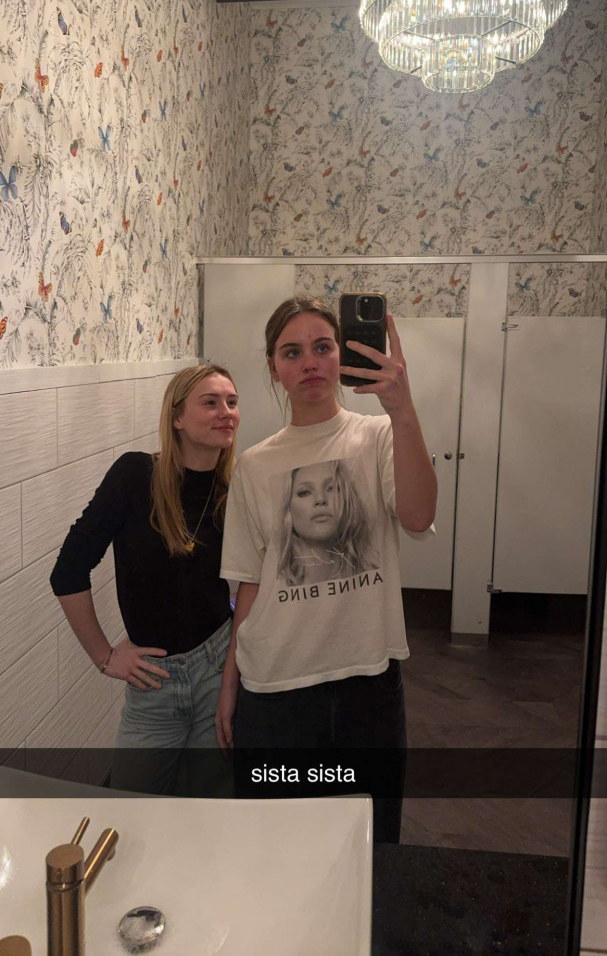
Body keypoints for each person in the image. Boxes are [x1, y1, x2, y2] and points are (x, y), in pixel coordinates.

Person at [215, 296, 437, 841]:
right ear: (274, 369)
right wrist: (230, 683)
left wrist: (403, 410)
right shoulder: (254, 465)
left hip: (366, 683)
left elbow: (418, 515)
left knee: (368, 841)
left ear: (341, 356)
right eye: (292, 352)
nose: (309, 362)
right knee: (276, 840)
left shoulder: (378, 436)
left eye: (322, 347)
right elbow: (249, 582)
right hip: (275, 689)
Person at [50, 363, 240, 795]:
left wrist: (233, 668)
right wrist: (103, 656)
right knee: (131, 808)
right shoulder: (135, 476)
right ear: (177, 417)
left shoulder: (235, 490)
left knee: (212, 807)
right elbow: (68, 570)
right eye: (210, 402)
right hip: (154, 680)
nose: (226, 411)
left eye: (232, 402)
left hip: (218, 668)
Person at [278, 459, 379, 585]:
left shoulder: (377, 571)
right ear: (288, 509)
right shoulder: (275, 584)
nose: (320, 499)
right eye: (305, 492)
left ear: (349, 500)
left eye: (332, 488)